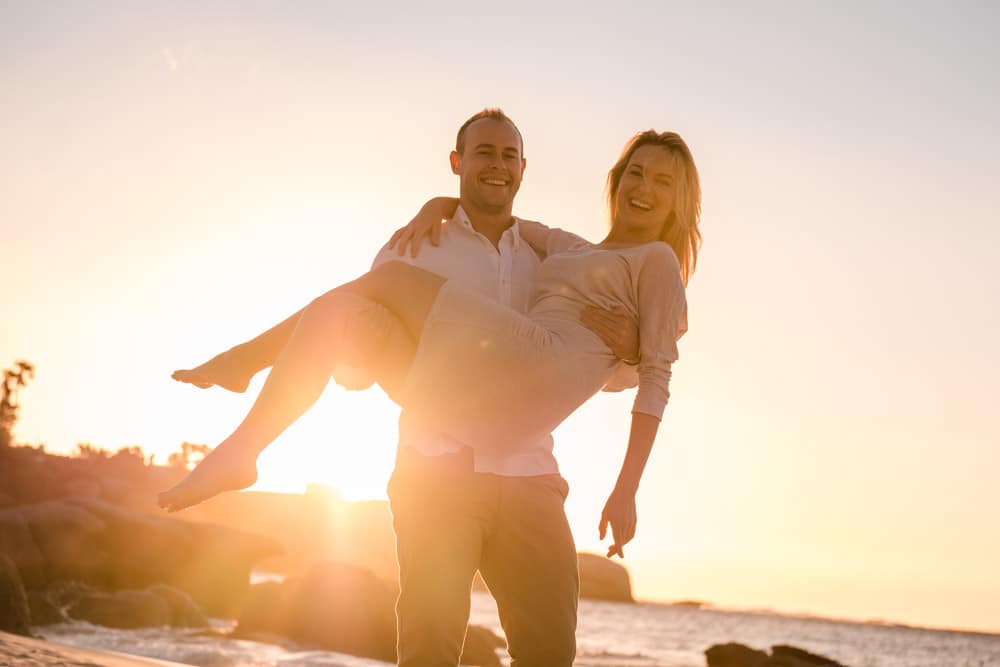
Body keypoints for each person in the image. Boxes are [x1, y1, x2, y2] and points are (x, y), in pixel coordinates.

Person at [161, 110, 701, 667]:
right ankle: (242, 424)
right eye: (637, 173)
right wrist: (435, 206)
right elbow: (355, 370)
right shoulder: (561, 246)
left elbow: (652, 375)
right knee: (349, 309)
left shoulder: (650, 262)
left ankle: (244, 377)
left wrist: (626, 485)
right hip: (444, 443)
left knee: (547, 654)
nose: (644, 188)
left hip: (527, 444)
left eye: (663, 182)